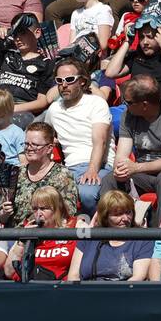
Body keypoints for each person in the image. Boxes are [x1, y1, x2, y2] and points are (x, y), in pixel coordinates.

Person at [99, 75, 161, 224]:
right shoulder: (129, 115)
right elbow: (122, 154)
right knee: (110, 179)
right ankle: (107, 232)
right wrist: (119, 169)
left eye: (128, 102)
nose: (124, 105)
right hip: (143, 174)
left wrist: (135, 167)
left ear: (144, 105)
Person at [43, 57, 111, 217]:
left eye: (69, 79)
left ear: (82, 81)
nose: (63, 85)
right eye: (59, 81)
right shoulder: (54, 109)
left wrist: (92, 169)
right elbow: (46, 137)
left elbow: (99, 141)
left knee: (87, 193)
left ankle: (97, 233)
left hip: (100, 165)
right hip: (68, 168)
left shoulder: (96, 103)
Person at [65, 190, 151, 282]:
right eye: (118, 214)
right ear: (105, 217)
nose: (125, 218)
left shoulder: (143, 239)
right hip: (87, 291)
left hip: (123, 292)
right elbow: (73, 276)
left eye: (128, 212)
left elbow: (138, 278)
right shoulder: (88, 236)